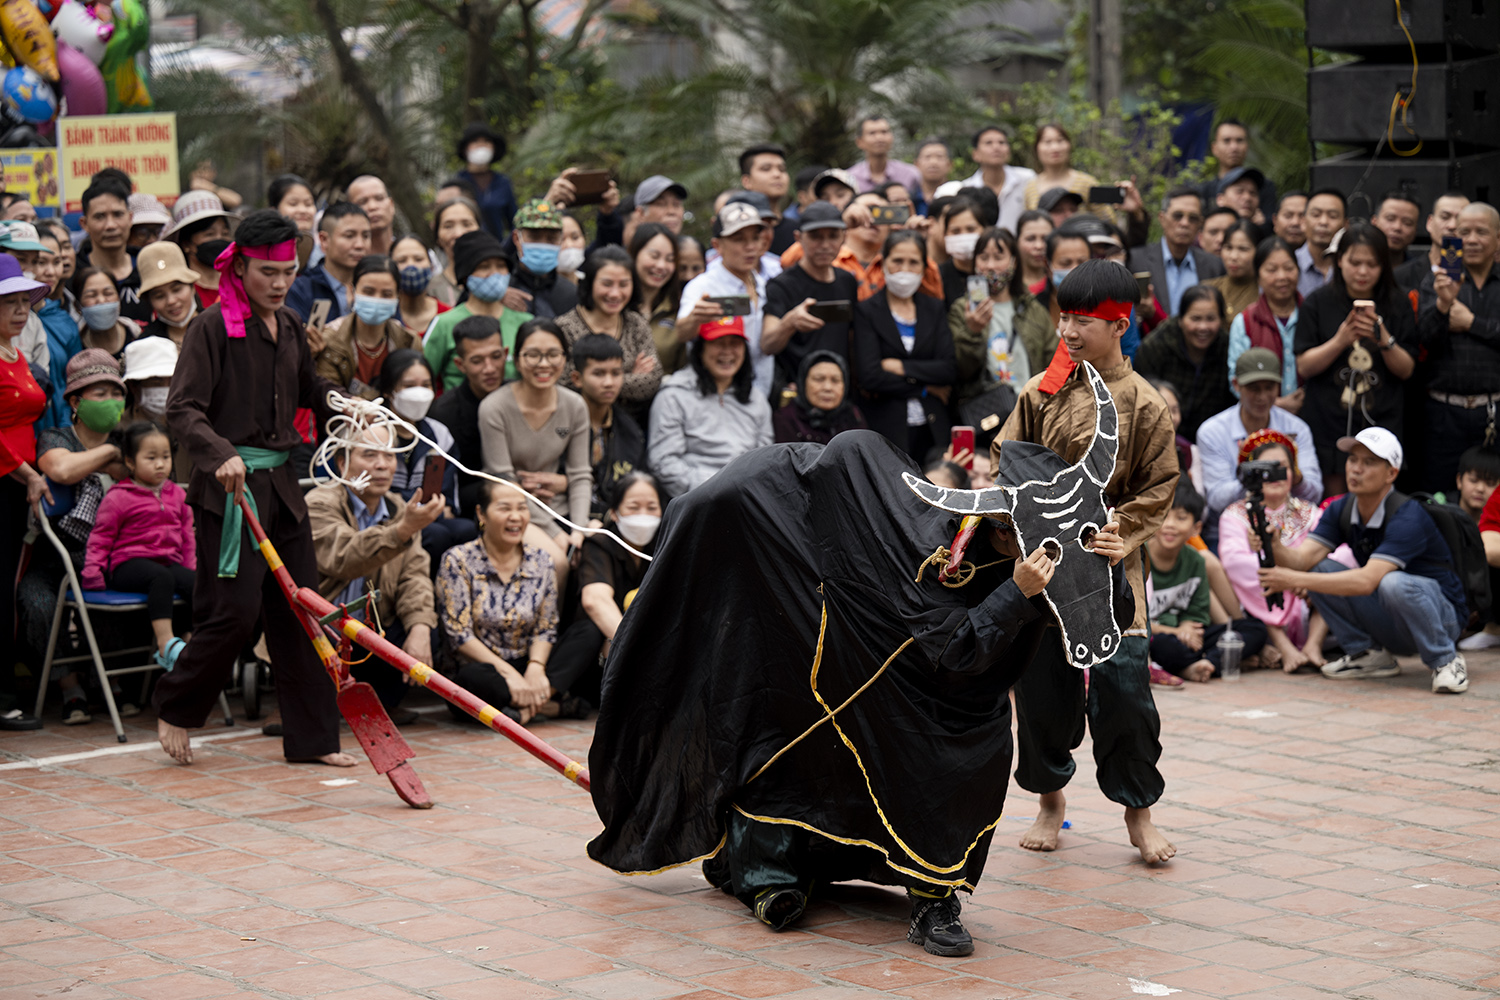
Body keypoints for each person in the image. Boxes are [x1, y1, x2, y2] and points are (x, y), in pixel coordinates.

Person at [158, 208, 356, 767]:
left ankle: (314, 740)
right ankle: (176, 705)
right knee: (234, 614)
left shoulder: (290, 325)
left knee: (302, 612)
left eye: (289, 272)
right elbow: (183, 408)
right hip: (230, 492)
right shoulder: (210, 327)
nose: (279, 283)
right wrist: (220, 454)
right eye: (269, 272)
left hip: (284, 488)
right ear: (241, 267)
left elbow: (308, 388)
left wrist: (341, 403)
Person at [999, 258, 1179, 865]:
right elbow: (1008, 462)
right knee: (1043, 690)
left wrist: (1121, 531)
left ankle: (1139, 812)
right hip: (1045, 568)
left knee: (1127, 695)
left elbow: (1158, 486)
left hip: (1111, 571)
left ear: (1120, 324)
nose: (1069, 331)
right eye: (1064, 318)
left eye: (1084, 320)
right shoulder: (1039, 392)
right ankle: (1051, 803)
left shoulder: (1145, 404)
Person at [1256, 428, 1469, 694]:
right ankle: (1367, 654)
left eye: (1368, 463)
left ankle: (1445, 659)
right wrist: (1275, 546)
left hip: (1443, 621)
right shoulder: (1341, 508)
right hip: (1394, 621)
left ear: (1391, 473)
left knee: (1393, 582)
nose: (1356, 469)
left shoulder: (1409, 515)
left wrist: (1293, 579)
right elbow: (1301, 560)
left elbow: (1368, 581)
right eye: (1353, 460)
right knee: (1320, 568)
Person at [307, 423, 442, 724]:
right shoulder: (319, 502)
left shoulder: (398, 507)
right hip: (321, 629)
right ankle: (307, 704)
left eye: (389, 455)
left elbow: (414, 576)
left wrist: (420, 627)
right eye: (369, 455)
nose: (382, 465)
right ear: (342, 462)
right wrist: (402, 530)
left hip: (371, 628)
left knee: (424, 628)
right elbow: (345, 556)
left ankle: (383, 701)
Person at [28, 350, 129, 723]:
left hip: (111, 554)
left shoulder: (129, 439)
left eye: (116, 393)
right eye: (99, 394)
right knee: (36, 602)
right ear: (75, 401)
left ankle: (112, 681)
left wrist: (117, 451)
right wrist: (113, 452)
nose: (111, 402)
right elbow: (63, 469)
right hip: (56, 557)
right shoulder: (57, 437)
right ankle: (69, 687)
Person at [1296, 221, 1416, 494]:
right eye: (1355, 262)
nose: (1362, 272)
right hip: (1329, 420)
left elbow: (1407, 369)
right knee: (1336, 503)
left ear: (1384, 266)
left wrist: (1384, 339)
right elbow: (1304, 365)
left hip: (1382, 418)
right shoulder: (1317, 301)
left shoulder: (1398, 303)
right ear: (1340, 261)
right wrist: (1340, 341)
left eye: (1372, 265)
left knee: (1379, 500)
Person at [436, 477, 560, 725]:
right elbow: (459, 635)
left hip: (527, 661)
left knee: (584, 637)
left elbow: (546, 627)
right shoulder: (458, 560)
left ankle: (520, 710)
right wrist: (509, 674)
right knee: (471, 681)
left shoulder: (541, 560)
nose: (516, 516)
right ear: (481, 513)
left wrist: (535, 668)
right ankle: (550, 704)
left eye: (522, 508)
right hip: (484, 668)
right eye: (505, 508)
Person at [478, 318, 590, 583]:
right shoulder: (494, 408)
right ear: (516, 360)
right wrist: (555, 533)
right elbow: (503, 478)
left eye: (553, 354)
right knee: (555, 561)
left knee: (596, 557)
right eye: (533, 355)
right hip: (513, 509)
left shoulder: (575, 405)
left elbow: (581, 474)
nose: (543, 364)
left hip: (560, 507)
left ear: (565, 359)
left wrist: (579, 529)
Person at [82, 420, 195, 668]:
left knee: (194, 583)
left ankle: (190, 641)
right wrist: (93, 572)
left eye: (166, 457)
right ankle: (166, 644)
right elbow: (100, 539)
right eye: (151, 457)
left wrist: (190, 568)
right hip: (127, 566)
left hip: (166, 563)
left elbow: (187, 538)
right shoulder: (119, 497)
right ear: (130, 462)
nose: (160, 464)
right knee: (161, 578)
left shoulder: (178, 495)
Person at [546, 472, 661, 712]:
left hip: (647, 652)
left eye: (652, 507)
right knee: (591, 632)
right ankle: (544, 698)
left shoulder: (663, 546)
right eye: (633, 507)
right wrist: (632, 648)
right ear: (615, 513)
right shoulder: (600, 544)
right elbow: (595, 601)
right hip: (600, 656)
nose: (643, 515)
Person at [1218, 435, 1332, 672]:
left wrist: (1307, 580)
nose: (1274, 475)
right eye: (1265, 469)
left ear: (1294, 472)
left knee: (1335, 568)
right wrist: (1290, 580)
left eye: (1282, 468)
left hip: (1309, 596)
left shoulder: (1311, 512)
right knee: (1247, 575)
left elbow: (1336, 552)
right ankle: (1282, 644)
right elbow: (1235, 561)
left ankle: (1313, 644)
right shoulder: (1234, 515)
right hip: (1266, 597)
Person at [0, 255, 56, 732]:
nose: (21, 311)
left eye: (24, 302)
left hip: (21, 485)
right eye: (9, 303)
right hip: (5, 483)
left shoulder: (18, 355)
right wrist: (27, 474)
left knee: (10, 585)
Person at [1416, 202, 1500, 494]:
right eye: (1464, 232)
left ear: (1498, 239)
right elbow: (1423, 339)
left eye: (1482, 232)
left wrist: (1471, 322)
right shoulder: (1437, 279)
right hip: (1443, 413)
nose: (1473, 239)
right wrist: (1443, 304)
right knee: (1439, 495)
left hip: (1493, 410)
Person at [1147, 483, 1267, 681]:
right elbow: (1134, 623)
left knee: (1254, 629)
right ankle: (1208, 663)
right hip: (1158, 636)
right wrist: (1177, 631)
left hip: (1186, 637)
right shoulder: (1139, 558)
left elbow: (1195, 613)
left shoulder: (1195, 560)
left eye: (1181, 518)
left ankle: (1207, 664)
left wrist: (1186, 628)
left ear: (1196, 528)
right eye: (1164, 516)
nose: (1170, 524)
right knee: (1161, 645)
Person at [852, 231, 954, 459]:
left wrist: (900, 367)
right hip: (885, 428)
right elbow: (870, 376)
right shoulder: (867, 310)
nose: (905, 269)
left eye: (913, 262)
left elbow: (947, 368)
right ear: (884, 262)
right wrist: (926, 387)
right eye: (897, 261)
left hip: (933, 428)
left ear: (924, 267)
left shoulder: (934, 308)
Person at [649, 316, 772, 497]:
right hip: (694, 499)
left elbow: (765, 461)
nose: (727, 352)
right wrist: (715, 491)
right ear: (700, 349)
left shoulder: (757, 399)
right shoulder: (674, 394)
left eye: (735, 343)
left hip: (747, 499)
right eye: (718, 343)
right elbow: (663, 462)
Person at [375, 350, 476, 568]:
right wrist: (417, 506)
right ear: (389, 390)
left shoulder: (439, 434)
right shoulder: (373, 432)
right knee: (436, 535)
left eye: (426, 385)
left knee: (467, 530)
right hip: (386, 517)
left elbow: (447, 492)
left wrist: (439, 507)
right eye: (410, 386)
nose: (419, 393)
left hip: (432, 514)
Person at [1198, 348, 1322, 516]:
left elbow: (1314, 494)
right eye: (1254, 388)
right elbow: (1217, 500)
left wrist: (1296, 476)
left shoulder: (1297, 428)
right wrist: (1253, 477)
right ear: (1236, 385)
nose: (1262, 396)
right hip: (1230, 528)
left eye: (1269, 387)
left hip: (1288, 525)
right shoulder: (1212, 432)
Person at [676, 202, 773, 395]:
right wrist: (695, 319)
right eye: (739, 239)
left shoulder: (764, 284)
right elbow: (681, 332)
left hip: (762, 396)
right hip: (716, 396)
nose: (750, 247)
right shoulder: (702, 286)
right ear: (717, 245)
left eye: (755, 238)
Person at [556, 247, 662, 419]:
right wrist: (630, 377)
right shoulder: (564, 328)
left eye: (623, 285)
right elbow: (565, 384)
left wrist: (593, 381)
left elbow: (652, 381)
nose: (615, 293)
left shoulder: (636, 324)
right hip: (576, 421)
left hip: (631, 424)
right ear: (590, 283)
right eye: (606, 284)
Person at [762, 202, 861, 387]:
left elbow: (851, 338)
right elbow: (767, 344)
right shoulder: (781, 285)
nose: (825, 245)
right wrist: (789, 323)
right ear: (798, 238)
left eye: (833, 236)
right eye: (815, 237)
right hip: (798, 393)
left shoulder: (847, 281)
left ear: (844, 237)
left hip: (840, 391)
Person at [949, 227, 1048, 404]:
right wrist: (972, 332)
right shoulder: (960, 309)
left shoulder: (1032, 309)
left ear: (1014, 262)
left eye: (998, 257)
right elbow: (959, 371)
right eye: (984, 257)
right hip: (987, 412)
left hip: (1030, 408)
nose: (990, 265)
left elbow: (1051, 362)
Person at [423, 230, 531, 389]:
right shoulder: (444, 324)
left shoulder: (525, 323)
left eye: (501, 266)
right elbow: (423, 377)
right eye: (484, 266)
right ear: (466, 275)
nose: (494, 274)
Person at [1134, 284, 1237, 441]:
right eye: (1195, 319)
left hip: (1212, 439)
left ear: (1221, 320)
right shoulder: (1156, 346)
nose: (1203, 327)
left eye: (1211, 319)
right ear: (1181, 319)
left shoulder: (1228, 349)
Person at [429, 315, 507, 508]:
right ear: (460, 365)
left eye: (496, 357)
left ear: (506, 354)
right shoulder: (443, 414)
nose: (490, 368)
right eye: (477, 361)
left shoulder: (520, 398)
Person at [568, 333, 647, 518]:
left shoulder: (629, 430)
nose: (609, 383)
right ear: (577, 378)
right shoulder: (562, 421)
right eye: (599, 373)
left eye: (616, 373)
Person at [316, 255, 416, 398]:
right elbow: (329, 399)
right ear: (352, 292)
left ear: (397, 298)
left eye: (386, 294)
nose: (377, 299)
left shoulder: (409, 342)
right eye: (368, 292)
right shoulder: (330, 340)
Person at [1226, 236, 1302, 407]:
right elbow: (1235, 379)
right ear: (1258, 275)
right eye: (1272, 270)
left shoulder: (1312, 313)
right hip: (1260, 414)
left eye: (1289, 268)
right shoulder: (1245, 321)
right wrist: (1277, 404)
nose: (1282, 276)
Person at [1128, 186, 1226, 317]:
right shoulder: (1136, 261)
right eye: (1177, 216)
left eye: (1193, 218)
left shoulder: (1214, 266)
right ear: (1162, 218)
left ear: (1200, 224)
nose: (1185, 223)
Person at [79, 175, 151, 325]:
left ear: (130, 218)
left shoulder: (148, 267)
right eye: (100, 217)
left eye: (118, 214)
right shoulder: (73, 273)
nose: (110, 225)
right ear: (84, 224)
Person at [286, 202, 371, 325]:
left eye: (366, 236)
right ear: (324, 240)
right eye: (349, 236)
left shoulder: (376, 286)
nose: (360, 245)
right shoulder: (301, 289)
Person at [31, 227, 81, 430]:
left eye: (56, 262)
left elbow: (76, 382)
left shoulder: (64, 321)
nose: (51, 272)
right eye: (40, 262)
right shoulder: (10, 322)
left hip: (61, 426)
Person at [772, 350, 866, 444]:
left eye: (835, 380)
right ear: (803, 383)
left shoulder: (853, 415)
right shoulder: (786, 418)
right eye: (819, 379)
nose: (827, 388)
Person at [506, 198, 577, 320]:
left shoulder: (571, 293)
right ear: (517, 239)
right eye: (534, 237)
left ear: (560, 240)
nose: (543, 244)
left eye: (551, 238)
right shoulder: (503, 289)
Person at [629, 223, 684, 375]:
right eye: (654, 256)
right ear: (634, 254)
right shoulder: (615, 304)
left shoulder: (679, 309)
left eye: (670, 259)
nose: (661, 265)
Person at [161, 191, 231, 310]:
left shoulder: (239, 283)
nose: (220, 240)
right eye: (210, 234)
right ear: (187, 244)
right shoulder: (177, 292)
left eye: (225, 234)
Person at [961, 125, 1036, 233]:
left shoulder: (1027, 179)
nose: (996, 147)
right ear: (975, 154)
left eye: (1002, 143)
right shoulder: (967, 188)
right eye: (988, 143)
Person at [1199, 119, 1277, 220]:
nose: (1234, 147)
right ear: (1214, 148)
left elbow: (1269, 225)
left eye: (1239, 140)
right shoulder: (1204, 191)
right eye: (1227, 140)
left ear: (1247, 146)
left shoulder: (1265, 187)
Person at [1395, 191, 1469, 294]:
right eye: (1445, 217)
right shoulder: (1401, 275)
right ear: (1430, 223)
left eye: (1460, 219)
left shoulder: (1476, 275)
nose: (1452, 226)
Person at [454, 122, 519, 240]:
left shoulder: (503, 182)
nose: (481, 146)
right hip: (466, 248)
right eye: (475, 141)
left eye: (486, 142)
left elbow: (514, 221)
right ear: (465, 148)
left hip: (497, 248)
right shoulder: (456, 183)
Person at [136, 242, 201, 349]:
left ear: (192, 287)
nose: (171, 301)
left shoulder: (218, 326)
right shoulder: (146, 345)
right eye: (159, 296)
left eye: (177, 290)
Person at [936, 191, 993, 308]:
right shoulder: (937, 277)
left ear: (984, 230)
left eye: (971, 229)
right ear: (945, 234)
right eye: (955, 231)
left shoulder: (995, 273)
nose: (963, 236)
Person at [72, 266, 141, 360]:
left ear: (119, 300)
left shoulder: (139, 335)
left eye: (108, 293)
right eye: (91, 295)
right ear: (77, 306)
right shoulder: (74, 348)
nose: (101, 300)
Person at [740, 143, 796, 253]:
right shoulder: (734, 233)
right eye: (766, 169)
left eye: (782, 169)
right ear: (746, 181)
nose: (777, 174)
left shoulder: (799, 231)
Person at [389, 235, 449, 337]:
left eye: (418, 259)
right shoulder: (385, 318)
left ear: (431, 267)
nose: (411, 266)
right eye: (402, 261)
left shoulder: (447, 316)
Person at [429, 197, 483, 305]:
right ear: (438, 237)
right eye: (448, 226)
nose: (458, 234)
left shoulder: (500, 282)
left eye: (467, 224)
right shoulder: (430, 289)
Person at [1206, 219, 1260, 320]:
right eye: (1228, 248)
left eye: (1243, 249)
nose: (1233, 257)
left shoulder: (1265, 292)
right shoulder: (1208, 289)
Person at [1297, 189, 1346, 297]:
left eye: (1332, 216)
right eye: (1316, 215)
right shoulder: (1289, 264)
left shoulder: (1351, 267)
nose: (1323, 222)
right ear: (1303, 221)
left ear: (1345, 225)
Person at [347, 175, 396, 255]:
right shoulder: (344, 262)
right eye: (362, 202)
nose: (372, 207)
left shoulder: (410, 256)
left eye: (379, 198)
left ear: (391, 206)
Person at [1373, 191, 1422, 268]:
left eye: (1407, 223)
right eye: (1390, 219)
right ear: (1374, 222)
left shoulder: (1421, 274)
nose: (1397, 227)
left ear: (1416, 230)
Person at [1213, 167, 1269, 231]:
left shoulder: (1263, 236)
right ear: (1220, 199)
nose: (1247, 198)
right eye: (1239, 191)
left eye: (1253, 193)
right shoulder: (1211, 235)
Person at [1015, 209, 1054, 294]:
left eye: (1045, 239)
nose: (1039, 246)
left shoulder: (1059, 285)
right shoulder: (1007, 286)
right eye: (1030, 239)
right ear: (1017, 241)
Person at [912, 139, 952, 216]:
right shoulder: (909, 198)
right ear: (917, 164)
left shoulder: (958, 196)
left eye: (939, 157)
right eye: (927, 157)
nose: (933, 162)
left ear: (949, 165)